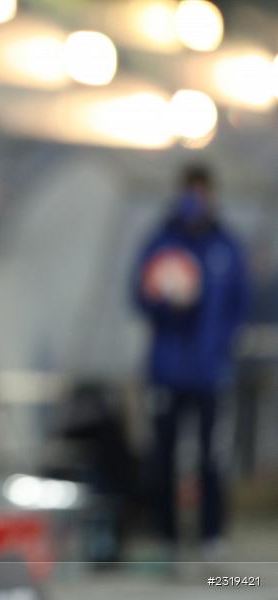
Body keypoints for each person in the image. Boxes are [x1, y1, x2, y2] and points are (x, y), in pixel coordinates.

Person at [132, 164, 248, 559]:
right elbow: (138, 295)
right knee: (163, 455)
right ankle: (165, 536)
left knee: (211, 457)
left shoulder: (226, 246)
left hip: (211, 373)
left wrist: (222, 347)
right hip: (167, 370)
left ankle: (211, 534)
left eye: (202, 193)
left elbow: (238, 305)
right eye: (189, 193)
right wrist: (167, 300)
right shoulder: (161, 242)